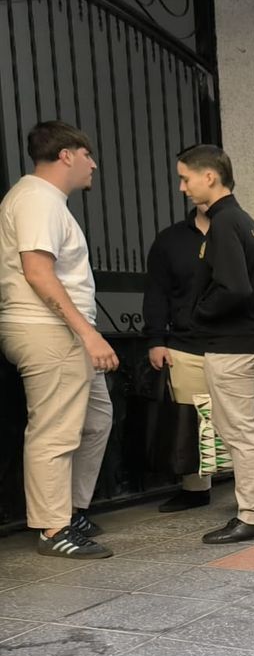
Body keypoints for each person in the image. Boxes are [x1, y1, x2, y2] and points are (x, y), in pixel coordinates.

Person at [0, 121, 115, 557]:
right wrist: (88, 333)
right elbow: (38, 272)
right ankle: (53, 528)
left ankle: (69, 509)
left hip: (62, 330)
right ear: (66, 155)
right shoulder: (36, 199)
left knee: (96, 421)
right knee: (55, 430)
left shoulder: (47, 200)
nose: (93, 164)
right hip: (49, 331)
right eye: (88, 155)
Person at [174, 144, 254, 544]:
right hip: (251, 340)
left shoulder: (224, 223)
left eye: (185, 177)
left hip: (231, 344)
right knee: (248, 428)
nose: (182, 187)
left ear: (210, 177)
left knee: (239, 432)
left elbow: (235, 288)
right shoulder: (245, 221)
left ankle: (253, 515)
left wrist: (196, 314)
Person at [144, 204, 214, 511]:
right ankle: (195, 489)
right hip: (184, 341)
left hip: (234, 341)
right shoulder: (169, 240)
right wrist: (156, 339)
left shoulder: (238, 231)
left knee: (240, 417)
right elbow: (156, 292)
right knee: (188, 420)